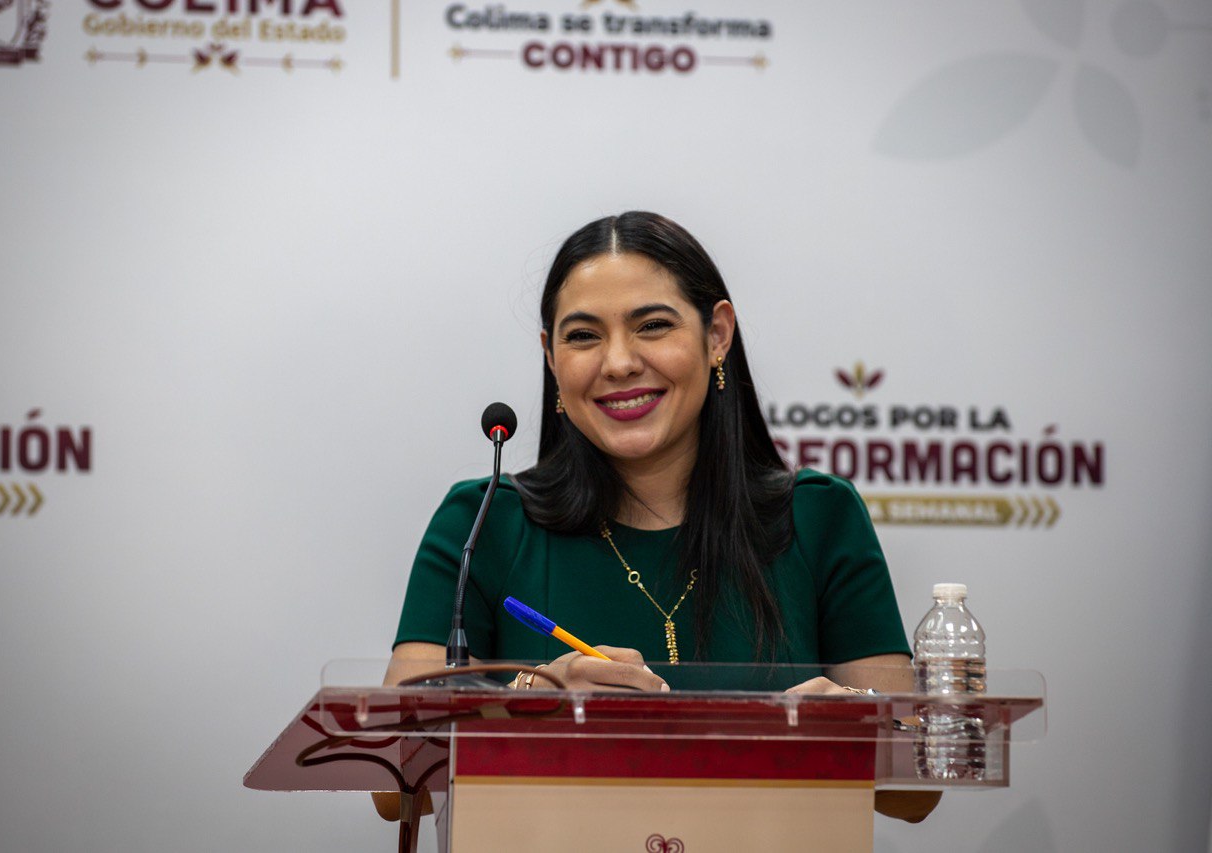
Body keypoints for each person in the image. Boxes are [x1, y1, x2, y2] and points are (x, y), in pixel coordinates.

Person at [381, 211, 939, 822]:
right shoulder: (482, 522)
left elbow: (916, 792)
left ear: (717, 334)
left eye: (652, 325)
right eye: (583, 336)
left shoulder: (819, 516)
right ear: (551, 358)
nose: (619, 363)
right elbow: (392, 785)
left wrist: (854, 724)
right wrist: (530, 700)